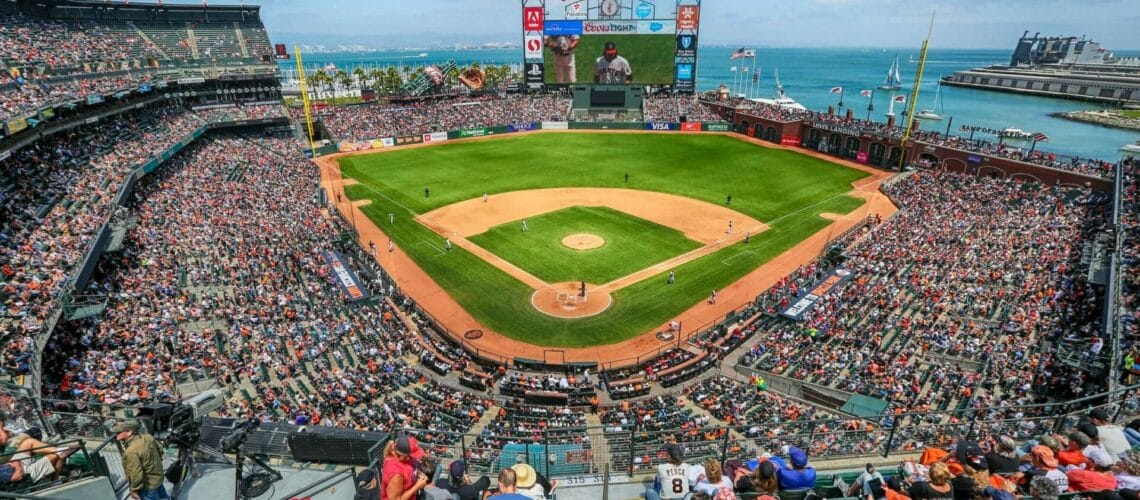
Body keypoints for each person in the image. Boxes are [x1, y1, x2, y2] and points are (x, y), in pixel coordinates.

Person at [113, 419, 169, 500]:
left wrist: (134, 490)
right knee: (164, 497)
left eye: (118, 432)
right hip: (158, 478)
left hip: (148, 486)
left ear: (129, 432)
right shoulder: (147, 437)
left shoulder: (131, 451)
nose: (116, 435)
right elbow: (160, 449)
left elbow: (136, 474)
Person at [380, 435, 429, 500]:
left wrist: (419, 474)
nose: (414, 457)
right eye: (412, 455)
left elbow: (411, 467)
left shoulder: (407, 459)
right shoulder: (396, 474)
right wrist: (417, 486)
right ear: (403, 455)